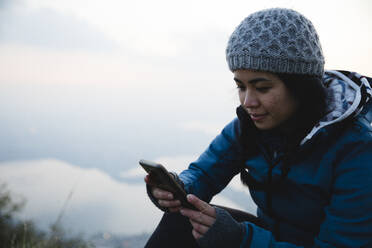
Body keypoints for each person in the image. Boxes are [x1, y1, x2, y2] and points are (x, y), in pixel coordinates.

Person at [144, 8, 372, 248]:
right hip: (269, 239)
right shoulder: (249, 126)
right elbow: (204, 173)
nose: (247, 102)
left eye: (262, 88)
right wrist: (177, 189)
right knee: (182, 220)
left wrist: (242, 240)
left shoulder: (356, 150)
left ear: (300, 87)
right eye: (241, 87)